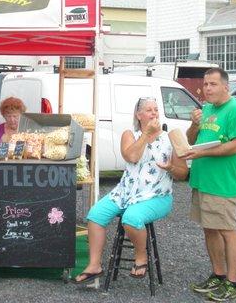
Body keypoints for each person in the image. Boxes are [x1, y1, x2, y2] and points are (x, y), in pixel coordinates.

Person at [73, 97, 188, 284]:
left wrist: (171, 168)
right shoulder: (130, 134)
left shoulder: (171, 138)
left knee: (131, 218)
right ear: (138, 114)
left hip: (157, 195)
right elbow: (132, 156)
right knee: (95, 215)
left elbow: (183, 173)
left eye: (156, 109)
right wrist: (145, 135)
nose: (154, 113)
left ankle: (141, 257)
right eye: (149, 110)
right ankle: (95, 265)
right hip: (125, 192)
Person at [183, 68, 236, 301]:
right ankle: (218, 275)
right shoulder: (207, 109)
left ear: (225, 86)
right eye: (205, 84)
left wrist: (201, 155)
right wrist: (193, 124)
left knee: (227, 231)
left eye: (212, 84)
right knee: (209, 229)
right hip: (203, 181)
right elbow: (191, 140)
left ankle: (232, 283)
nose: (207, 88)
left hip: (223, 183)